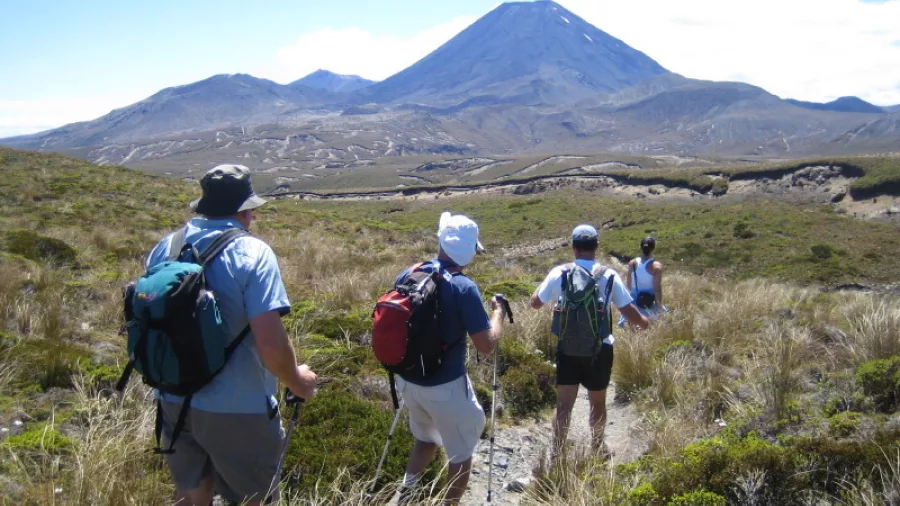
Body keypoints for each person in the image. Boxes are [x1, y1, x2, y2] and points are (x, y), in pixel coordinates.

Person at [144, 164, 317, 506]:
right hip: (239, 408)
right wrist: (298, 381)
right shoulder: (253, 252)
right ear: (245, 209)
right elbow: (269, 343)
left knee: (191, 496)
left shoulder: (165, 247)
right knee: (254, 499)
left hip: (173, 399)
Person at [395, 212, 506, 506]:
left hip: (408, 379)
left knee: (426, 439)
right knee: (460, 454)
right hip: (446, 385)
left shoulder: (410, 273)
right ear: (469, 251)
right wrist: (498, 314)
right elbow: (485, 345)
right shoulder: (464, 287)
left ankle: (404, 496)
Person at [529, 224, 648, 457]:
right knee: (597, 402)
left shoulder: (560, 272)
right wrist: (644, 323)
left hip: (567, 346)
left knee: (564, 404)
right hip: (600, 348)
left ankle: (559, 451)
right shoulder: (609, 274)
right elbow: (628, 310)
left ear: (574, 247)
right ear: (596, 247)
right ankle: (597, 447)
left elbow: (535, 303)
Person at [620, 236, 666, 327]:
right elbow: (657, 289)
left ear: (640, 247)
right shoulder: (656, 266)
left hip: (635, 297)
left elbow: (628, 285)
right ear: (653, 248)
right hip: (649, 300)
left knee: (633, 325)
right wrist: (659, 306)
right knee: (650, 326)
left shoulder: (632, 263)